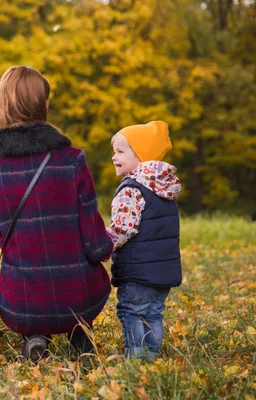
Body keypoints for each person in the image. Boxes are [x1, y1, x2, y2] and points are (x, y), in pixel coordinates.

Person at [0, 66, 113, 364]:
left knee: (28, 296)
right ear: (43, 104)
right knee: (80, 291)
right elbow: (98, 247)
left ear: (1, 103)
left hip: (21, 304)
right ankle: (79, 331)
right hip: (83, 296)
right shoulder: (73, 161)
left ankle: (35, 336)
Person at [108, 121, 182, 361]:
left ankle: (137, 361)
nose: (113, 157)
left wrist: (102, 245)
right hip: (163, 271)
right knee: (153, 314)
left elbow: (123, 229)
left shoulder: (131, 189)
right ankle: (152, 358)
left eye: (120, 152)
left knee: (132, 311)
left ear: (141, 155)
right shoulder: (164, 188)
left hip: (137, 271)